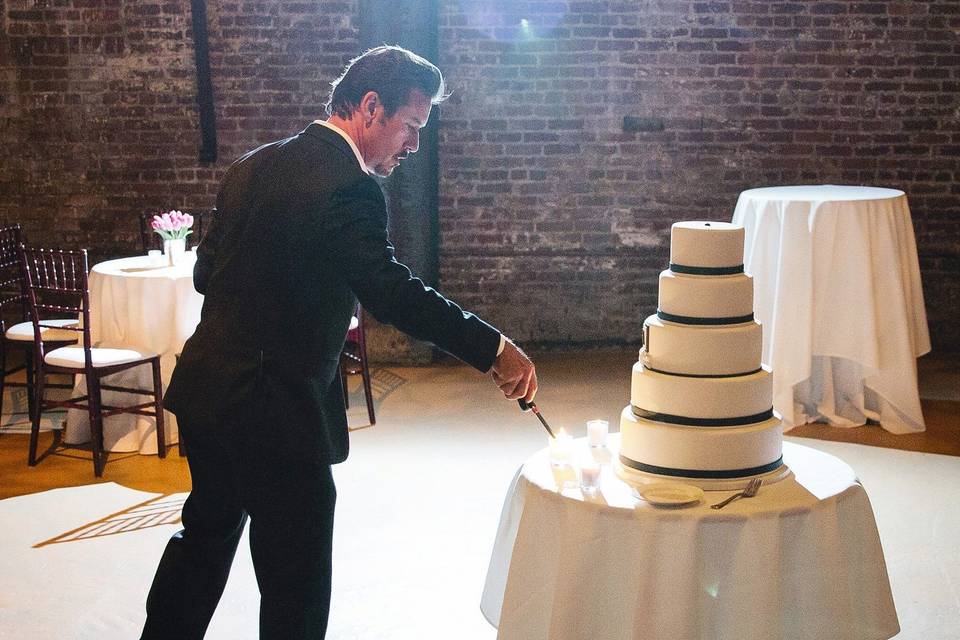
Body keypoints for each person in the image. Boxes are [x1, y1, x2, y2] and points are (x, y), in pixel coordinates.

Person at [139, 45, 537, 640]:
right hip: (275, 410)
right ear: (371, 107)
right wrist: (493, 348)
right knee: (295, 582)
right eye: (411, 126)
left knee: (204, 538)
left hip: (208, 393)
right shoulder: (350, 187)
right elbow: (391, 293)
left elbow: (205, 274)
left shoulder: (254, 164)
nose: (413, 145)